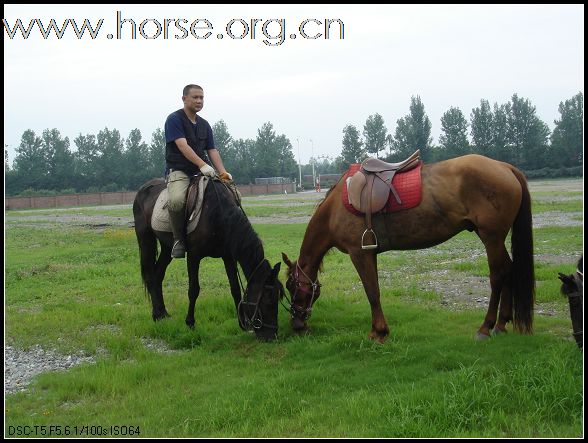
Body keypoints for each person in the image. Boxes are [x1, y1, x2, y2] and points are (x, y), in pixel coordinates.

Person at [164, 84, 232, 258]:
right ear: (184, 98)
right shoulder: (174, 119)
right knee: (177, 200)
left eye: (201, 97)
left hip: (203, 171)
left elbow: (212, 150)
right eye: (195, 97)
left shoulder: (204, 124)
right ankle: (178, 240)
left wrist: (223, 172)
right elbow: (182, 146)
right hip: (179, 171)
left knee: (232, 194)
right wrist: (202, 165)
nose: (199, 101)